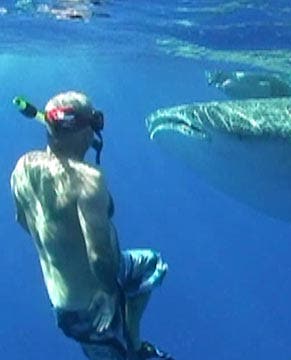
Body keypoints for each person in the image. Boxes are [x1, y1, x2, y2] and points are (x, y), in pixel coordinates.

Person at [10, 91, 172, 359]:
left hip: (69, 299)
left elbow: (22, 221)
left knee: (150, 264)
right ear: (82, 129)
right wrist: (108, 292)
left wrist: (61, 244)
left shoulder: (22, 168)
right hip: (90, 308)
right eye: (94, 124)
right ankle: (128, 351)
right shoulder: (88, 180)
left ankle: (133, 342)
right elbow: (97, 255)